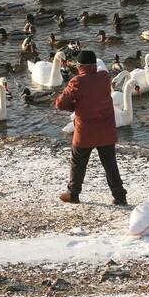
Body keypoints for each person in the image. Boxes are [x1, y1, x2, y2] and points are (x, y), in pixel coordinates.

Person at [54, 50, 127, 205]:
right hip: (106, 130)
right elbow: (93, 87)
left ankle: (73, 194)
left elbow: (60, 103)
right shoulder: (104, 77)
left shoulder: (77, 81)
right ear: (95, 64)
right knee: (110, 164)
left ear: (79, 65)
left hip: (85, 131)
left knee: (78, 162)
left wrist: (73, 106)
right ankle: (120, 196)